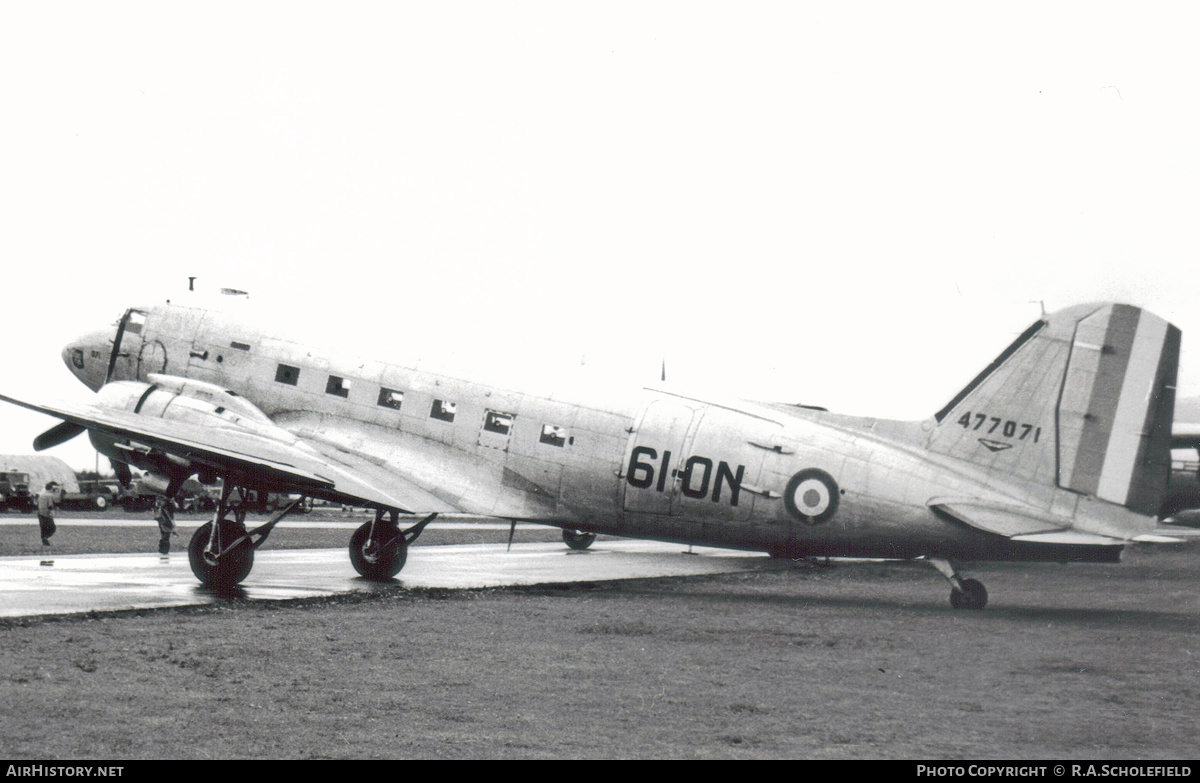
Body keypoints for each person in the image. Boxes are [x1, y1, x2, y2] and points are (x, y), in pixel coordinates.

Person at [37, 481, 60, 547]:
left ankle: (44, 542)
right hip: (46, 514)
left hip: (40, 513)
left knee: (43, 528)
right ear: (51, 489)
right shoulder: (50, 495)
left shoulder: (41, 495)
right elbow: (50, 505)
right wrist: (52, 513)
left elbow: (37, 503)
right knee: (53, 528)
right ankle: (46, 538)